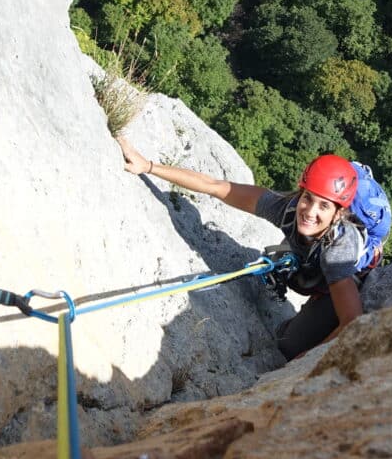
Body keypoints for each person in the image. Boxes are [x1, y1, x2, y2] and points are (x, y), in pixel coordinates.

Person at [117, 137, 372, 361]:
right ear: (300, 194)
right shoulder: (286, 208)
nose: (310, 212)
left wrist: (310, 359)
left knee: (289, 346)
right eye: (308, 199)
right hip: (310, 259)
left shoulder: (338, 250)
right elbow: (215, 186)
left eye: (324, 207)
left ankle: (315, 302)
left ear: (339, 213)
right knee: (288, 276)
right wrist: (147, 166)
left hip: (338, 282)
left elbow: (352, 320)